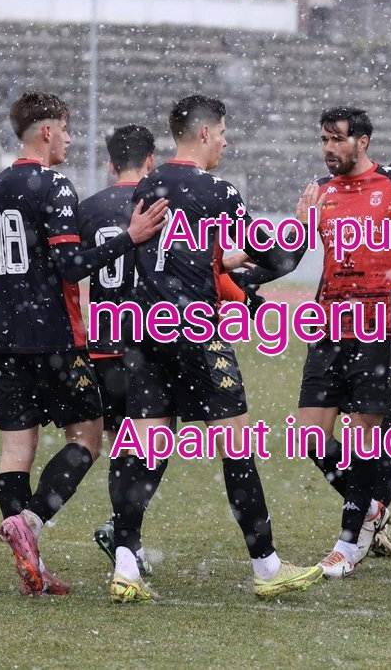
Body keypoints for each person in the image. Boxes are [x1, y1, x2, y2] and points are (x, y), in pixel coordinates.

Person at [110, 95, 322, 602]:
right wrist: (304, 228)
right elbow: (278, 259)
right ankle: (267, 566)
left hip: (146, 329)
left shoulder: (148, 184)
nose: (226, 141)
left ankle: (125, 566)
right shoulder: (218, 190)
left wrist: (223, 262)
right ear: (204, 133)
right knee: (237, 447)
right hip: (196, 331)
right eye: (222, 132)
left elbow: (179, 255)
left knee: (145, 448)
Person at [0, 91, 167, 595]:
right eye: (64, 129)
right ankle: (32, 521)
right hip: (52, 336)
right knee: (87, 437)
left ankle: (32, 565)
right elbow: (70, 266)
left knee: (16, 449)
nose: (68, 138)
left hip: (2, 336)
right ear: (46, 131)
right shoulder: (54, 184)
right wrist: (128, 236)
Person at [295, 106, 391, 577]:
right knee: (311, 435)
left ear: (363, 141)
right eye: (324, 139)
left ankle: (347, 543)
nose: (329, 148)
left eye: (337, 139)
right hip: (328, 329)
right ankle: (372, 509)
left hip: (379, 332)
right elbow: (288, 257)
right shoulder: (322, 191)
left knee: (364, 439)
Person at [77, 124, 161, 578]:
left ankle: (125, 537)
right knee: (155, 442)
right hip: (150, 344)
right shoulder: (162, 204)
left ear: (110, 164)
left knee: (123, 445)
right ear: (150, 161)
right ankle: (127, 535)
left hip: (105, 344)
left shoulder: (88, 209)